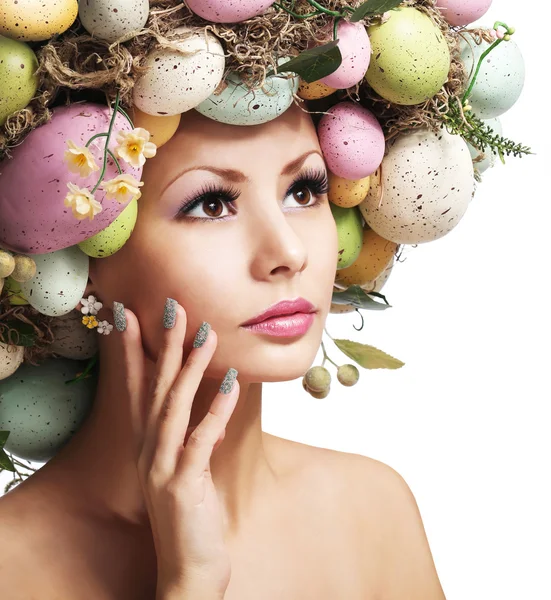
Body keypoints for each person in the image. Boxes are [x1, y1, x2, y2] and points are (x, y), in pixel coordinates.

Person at [0, 104, 446, 598]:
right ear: (83, 254)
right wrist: (191, 584)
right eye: (211, 205)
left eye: (303, 191)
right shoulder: (11, 563)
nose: (288, 253)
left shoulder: (371, 510)